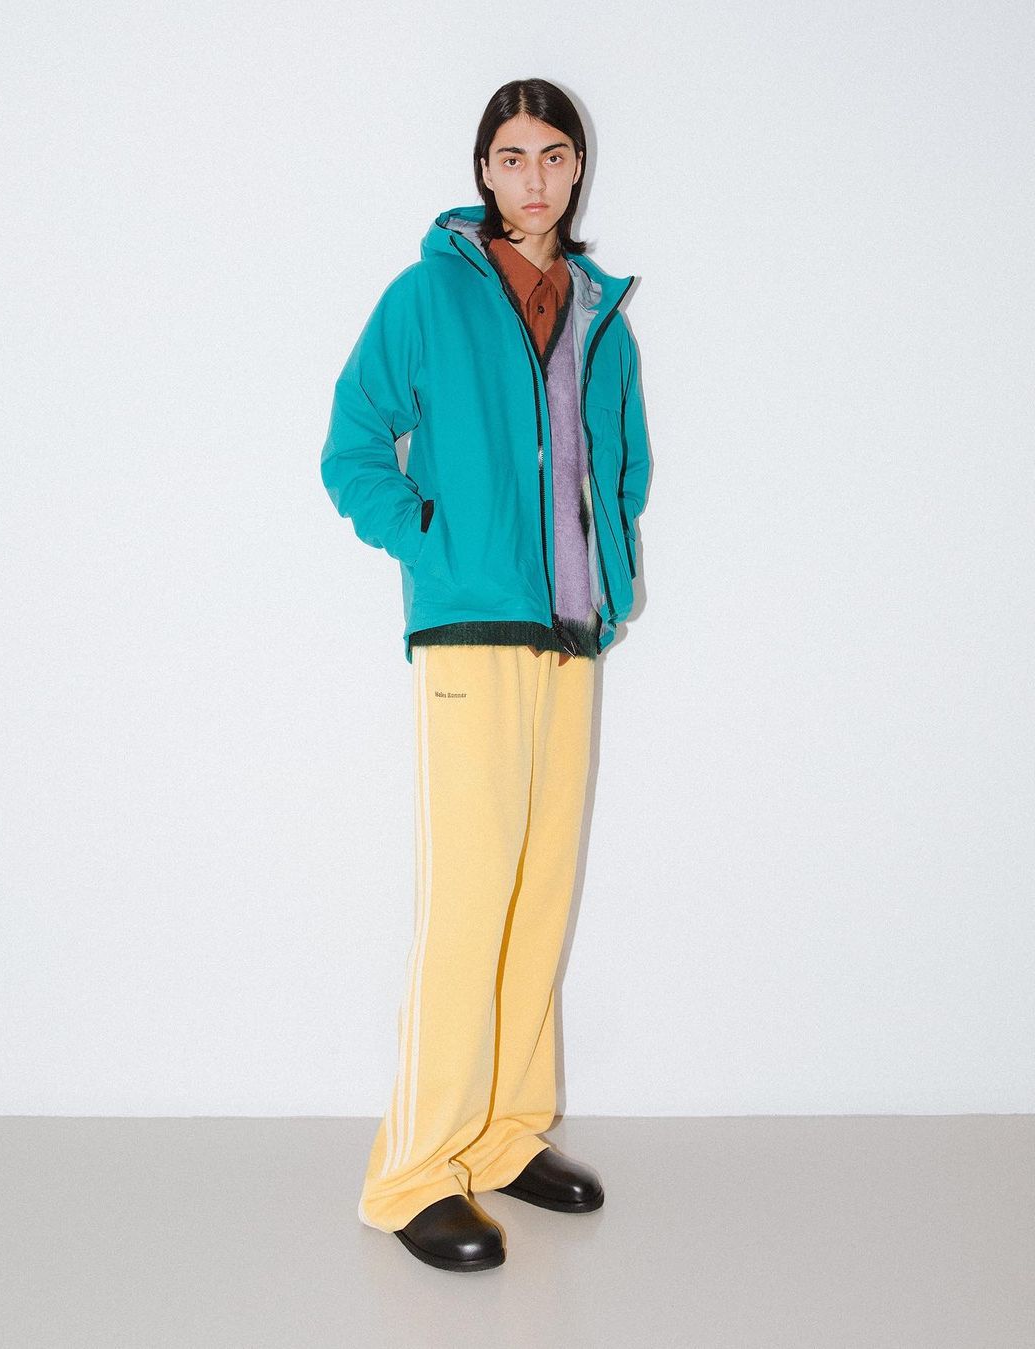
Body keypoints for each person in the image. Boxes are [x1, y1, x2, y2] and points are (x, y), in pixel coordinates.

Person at [320, 77, 650, 1272]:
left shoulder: (601, 315)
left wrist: (610, 571)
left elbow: (624, 466)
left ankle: (506, 1133)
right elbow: (352, 446)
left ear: (577, 169)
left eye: (553, 154)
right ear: (483, 170)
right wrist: (432, 537)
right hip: (471, 630)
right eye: (511, 156)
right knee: (469, 902)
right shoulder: (429, 297)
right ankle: (414, 1171)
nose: (532, 177)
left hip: (570, 635)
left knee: (539, 894)